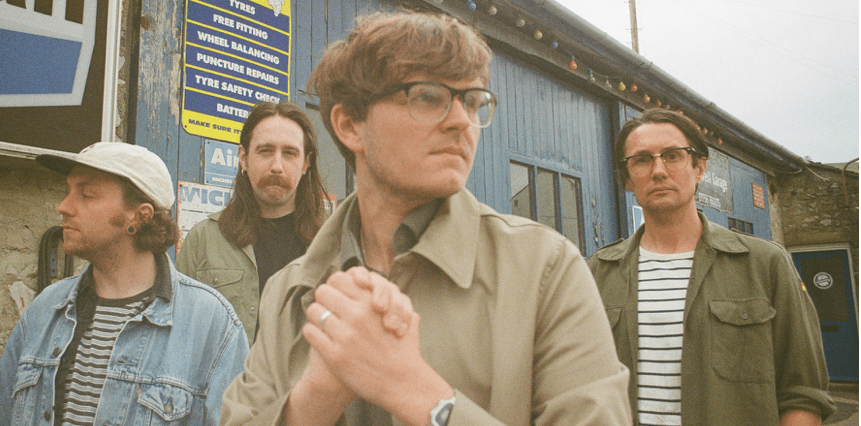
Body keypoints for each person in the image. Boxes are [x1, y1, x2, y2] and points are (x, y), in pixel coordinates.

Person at [220, 11, 631, 426]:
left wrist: (416, 391)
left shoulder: (544, 268)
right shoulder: (288, 292)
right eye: (428, 97)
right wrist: (315, 398)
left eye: (473, 102)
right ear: (350, 126)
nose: (462, 121)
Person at [587, 108, 835, 425]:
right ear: (627, 177)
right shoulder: (598, 272)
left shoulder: (765, 265)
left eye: (673, 156)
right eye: (642, 160)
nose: (658, 171)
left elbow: (804, 394)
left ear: (699, 167)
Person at [0, 142, 248, 426]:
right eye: (67, 191)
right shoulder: (44, 310)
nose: (63, 207)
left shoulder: (211, 324)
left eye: (86, 194)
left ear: (140, 215)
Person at [176, 101, 328, 344]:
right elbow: (179, 335)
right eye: (265, 151)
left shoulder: (333, 240)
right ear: (244, 158)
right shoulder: (203, 240)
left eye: (289, 153)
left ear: (305, 164)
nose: (277, 166)